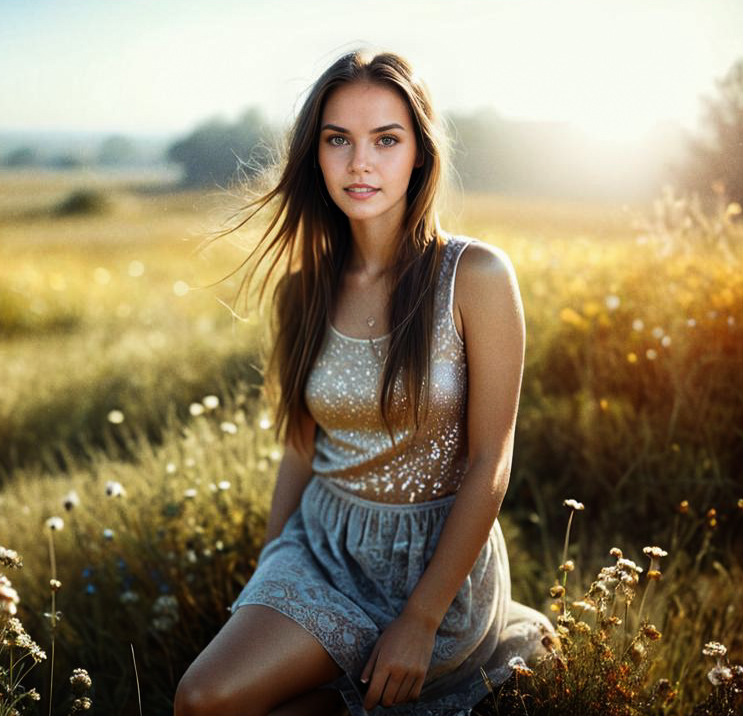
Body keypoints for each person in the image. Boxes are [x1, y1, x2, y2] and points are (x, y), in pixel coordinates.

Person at [174, 48, 553, 716]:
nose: (360, 163)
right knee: (203, 700)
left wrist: (422, 618)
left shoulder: (477, 278)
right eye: (337, 140)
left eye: (386, 139)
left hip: (432, 564)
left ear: (420, 153)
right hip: (320, 548)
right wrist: (271, 571)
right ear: (315, 156)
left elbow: (492, 459)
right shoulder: (303, 291)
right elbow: (300, 447)